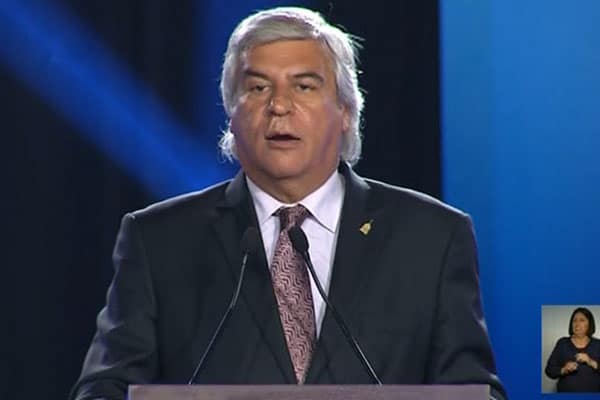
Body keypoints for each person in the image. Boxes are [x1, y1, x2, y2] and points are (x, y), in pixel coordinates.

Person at [71, 7, 506, 400]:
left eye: (304, 86)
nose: (279, 105)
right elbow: (103, 389)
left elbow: (473, 389)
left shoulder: (431, 237)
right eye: (258, 87)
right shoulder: (159, 240)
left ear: (345, 111)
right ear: (231, 114)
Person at [545, 307, 600, 392]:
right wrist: (563, 369)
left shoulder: (598, 344)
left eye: (582, 320)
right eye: (574, 320)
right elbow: (549, 370)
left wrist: (591, 362)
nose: (577, 324)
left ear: (590, 324)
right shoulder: (562, 343)